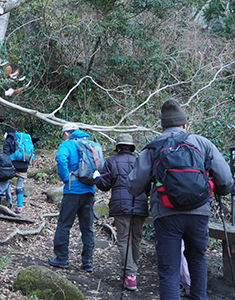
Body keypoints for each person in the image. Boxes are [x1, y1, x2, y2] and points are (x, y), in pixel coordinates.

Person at [127, 99, 233, 299]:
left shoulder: (153, 147)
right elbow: (226, 181)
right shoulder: (203, 143)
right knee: (197, 259)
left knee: (169, 270)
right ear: (185, 125)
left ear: (162, 125)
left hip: (166, 215)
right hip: (199, 213)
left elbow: (133, 186)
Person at [94, 133, 148, 290]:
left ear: (118, 147)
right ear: (131, 148)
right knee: (136, 239)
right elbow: (147, 185)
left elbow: (104, 185)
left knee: (124, 239)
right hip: (140, 203)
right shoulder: (140, 162)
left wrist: (97, 177)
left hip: (120, 206)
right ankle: (132, 271)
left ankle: (130, 275)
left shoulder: (111, 161)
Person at [48, 123, 96, 272]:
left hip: (72, 191)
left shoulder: (67, 144)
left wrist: (66, 179)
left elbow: (61, 160)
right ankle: (87, 261)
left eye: (63, 134)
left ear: (67, 133)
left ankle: (62, 259)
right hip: (89, 190)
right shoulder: (92, 144)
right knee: (87, 227)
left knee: (64, 224)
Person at [3, 127, 30, 214]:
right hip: (24, 166)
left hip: (13, 166)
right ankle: (19, 208)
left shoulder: (8, 141)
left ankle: (9, 187)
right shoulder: (22, 140)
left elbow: (6, 157)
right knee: (19, 187)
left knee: (3, 173)